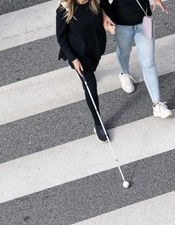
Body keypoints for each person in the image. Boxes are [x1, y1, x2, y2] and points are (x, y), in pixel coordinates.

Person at [103, 0, 173, 119]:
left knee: (149, 62)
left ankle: (157, 104)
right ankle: (124, 73)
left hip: (146, 20)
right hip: (121, 24)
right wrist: (104, 15)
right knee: (125, 51)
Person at [56, 0, 112, 142]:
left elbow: (108, 8)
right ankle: (98, 123)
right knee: (91, 87)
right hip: (79, 55)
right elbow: (61, 38)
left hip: (95, 48)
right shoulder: (65, 9)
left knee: (92, 70)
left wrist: (106, 16)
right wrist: (74, 59)